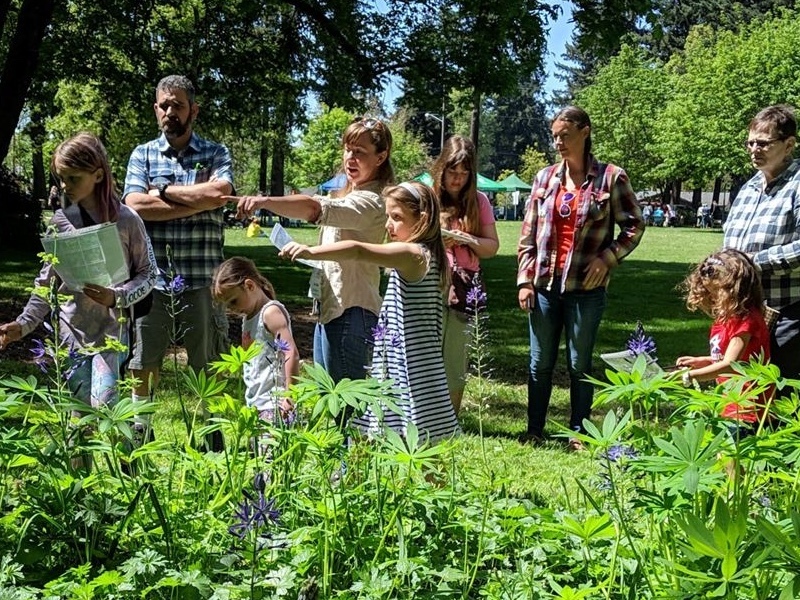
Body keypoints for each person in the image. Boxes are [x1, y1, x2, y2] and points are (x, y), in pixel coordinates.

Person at [280, 182, 460, 444]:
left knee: (400, 434)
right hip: (418, 362)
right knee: (421, 438)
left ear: (422, 220)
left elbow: (357, 250)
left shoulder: (414, 254)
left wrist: (310, 251)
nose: (388, 225)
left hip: (408, 365)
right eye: (388, 216)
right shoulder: (432, 253)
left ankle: (353, 478)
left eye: (397, 218)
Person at [517, 106, 645, 451]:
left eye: (565, 135)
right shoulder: (544, 179)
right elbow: (529, 233)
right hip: (544, 285)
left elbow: (634, 224)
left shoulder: (611, 177)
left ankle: (579, 432)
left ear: (585, 132)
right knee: (539, 362)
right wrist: (525, 280)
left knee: (579, 363)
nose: (558, 142)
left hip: (585, 289)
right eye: (555, 136)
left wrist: (608, 257)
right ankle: (534, 429)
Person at [231, 116, 393, 384]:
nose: (350, 158)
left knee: (346, 409)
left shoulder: (373, 201)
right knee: (326, 397)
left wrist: (264, 202)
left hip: (352, 311)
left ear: (381, 157)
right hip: (330, 309)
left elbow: (315, 209)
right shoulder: (348, 194)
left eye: (360, 152)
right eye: (347, 149)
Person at [0, 133, 156, 410]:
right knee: (79, 420)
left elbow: (149, 274)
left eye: (73, 178)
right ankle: (79, 456)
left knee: (106, 407)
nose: (64, 186)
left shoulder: (127, 220)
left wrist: (117, 297)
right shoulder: (60, 222)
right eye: (61, 178)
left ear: (97, 175)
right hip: (71, 334)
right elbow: (46, 283)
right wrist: (23, 325)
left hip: (113, 335)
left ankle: (126, 453)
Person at [122, 75, 234, 435]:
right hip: (150, 282)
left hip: (203, 280)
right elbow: (135, 204)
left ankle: (210, 434)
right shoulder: (142, 154)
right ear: (156, 110)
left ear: (194, 110)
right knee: (143, 361)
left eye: (179, 105)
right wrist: (195, 202)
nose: (171, 112)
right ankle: (141, 431)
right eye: (164, 105)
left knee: (207, 363)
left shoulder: (216, 153)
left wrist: (166, 191)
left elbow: (221, 193)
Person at [723, 104, 800, 381]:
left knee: (777, 395)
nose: (755, 149)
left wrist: (754, 262)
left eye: (764, 143)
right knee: (741, 391)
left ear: (789, 144)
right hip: (745, 311)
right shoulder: (749, 187)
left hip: (788, 312)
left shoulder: (797, 184)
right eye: (750, 142)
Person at [430, 135, 499, 413]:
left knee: (455, 359)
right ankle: (424, 415)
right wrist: (437, 240)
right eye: (452, 172)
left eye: (463, 173)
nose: (457, 179)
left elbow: (492, 247)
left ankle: (451, 419)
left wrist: (467, 239)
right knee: (428, 353)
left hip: (464, 287)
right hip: (433, 282)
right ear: (441, 169)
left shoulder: (479, 201)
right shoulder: (429, 197)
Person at [676, 249, 772, 425]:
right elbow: (730, 358)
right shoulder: (727, 317)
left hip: (748, 409)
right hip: (729, 404)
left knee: (733, 452)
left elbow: (730, 364)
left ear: (734, 289)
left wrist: (690, 376)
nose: (713, 299)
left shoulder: (746, 320)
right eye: (709, 293)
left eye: (717, 293)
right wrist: (703, 360)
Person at [211, 257, 300, 425]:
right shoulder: (250, 317)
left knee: (271, 450)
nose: (232, 309)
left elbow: (291, 354)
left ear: (249, 285)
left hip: (274, 403)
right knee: (257, 450)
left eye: (233, 301)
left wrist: (289, 396)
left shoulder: (271, 312)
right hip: (256, 402)